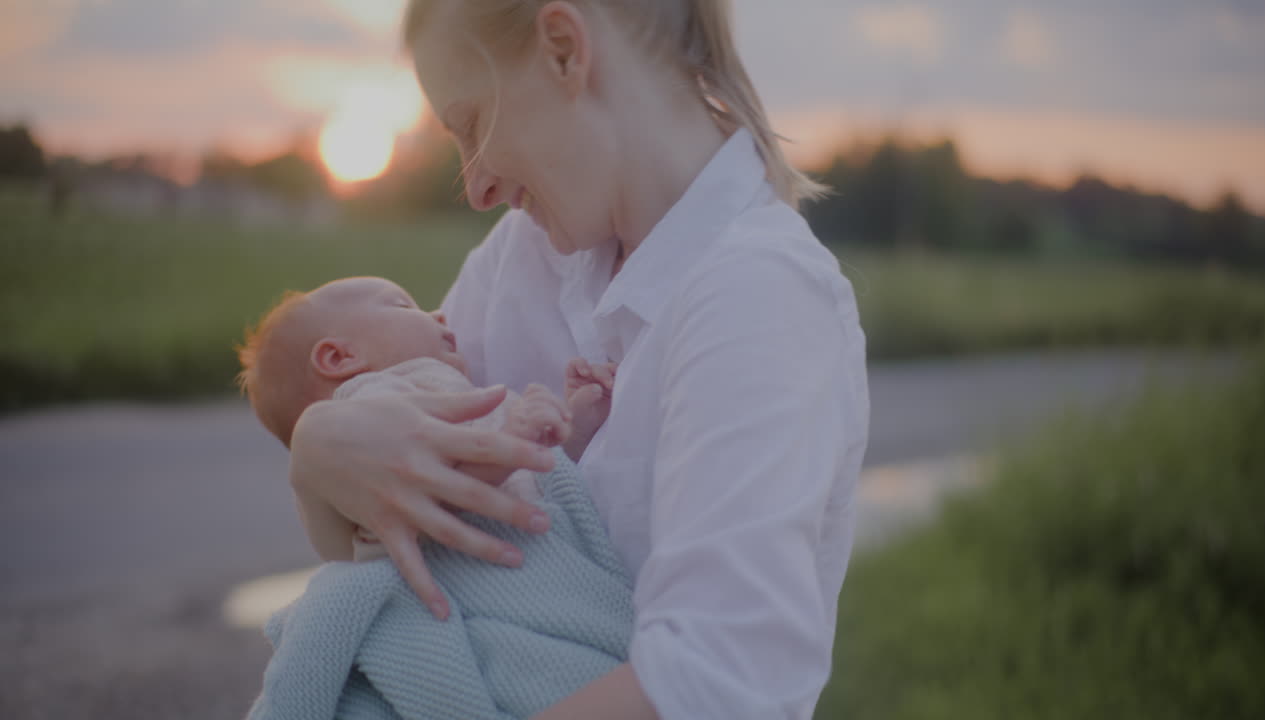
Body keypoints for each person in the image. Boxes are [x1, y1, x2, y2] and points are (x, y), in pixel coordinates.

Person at [287, 1, 870, 717]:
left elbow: (716, 682)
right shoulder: (522, 259)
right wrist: (319, 454)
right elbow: (389, 537)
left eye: (471, 126)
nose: (477, 187)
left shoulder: (760, 295)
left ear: (564, 49)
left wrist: (329, 456)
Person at [237, 276, 634, 718]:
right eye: (404, 306)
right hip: (479, 595)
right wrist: (516, 443)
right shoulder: (375, 405)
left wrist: (573, 423)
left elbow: (529, 483)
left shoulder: (434, 391)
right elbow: (442, 484)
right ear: (340, 356)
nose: (439, 315)